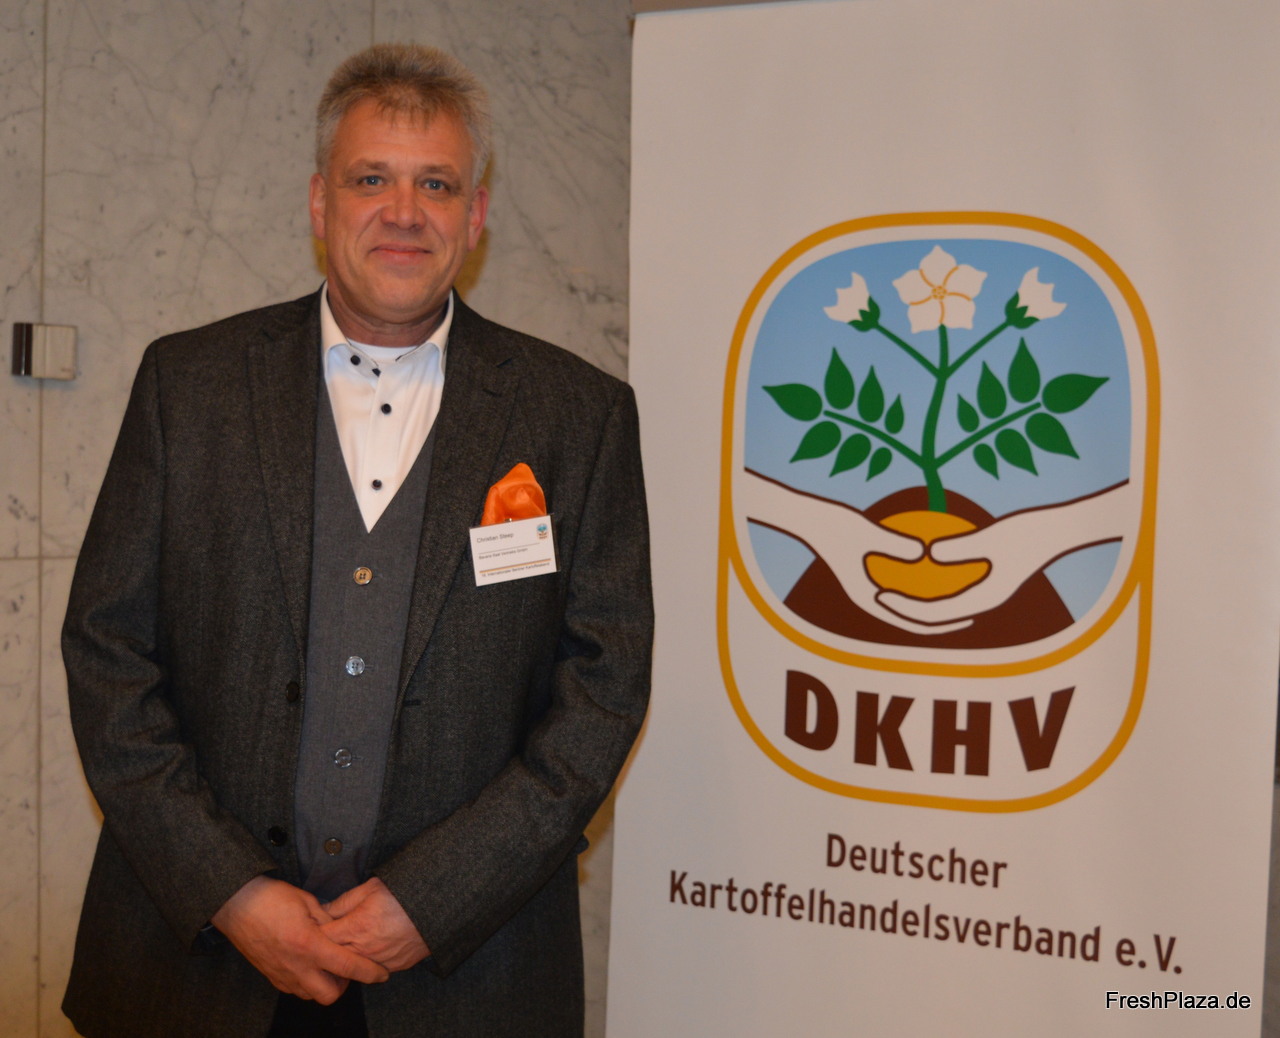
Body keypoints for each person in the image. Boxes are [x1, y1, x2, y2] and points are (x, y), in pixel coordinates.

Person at [60, 43, 652, 1038]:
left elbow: (604, 692)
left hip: (469, 979)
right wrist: (230, 892)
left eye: (436, 184)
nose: (403, 211)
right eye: (371, 179)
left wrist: (435, 900)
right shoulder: (187, 387)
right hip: (198, 969)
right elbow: (106, 654)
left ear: (476, 215)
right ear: (318, 202)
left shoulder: (578, 416)